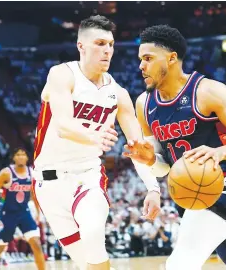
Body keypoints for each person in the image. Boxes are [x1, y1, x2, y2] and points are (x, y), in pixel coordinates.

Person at [125, 25, 226, 270]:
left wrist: (219, 152)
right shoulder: (144, 104)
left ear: (172, 58)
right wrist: (150, 160)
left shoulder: (208, 91)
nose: (141, 66)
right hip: (195, 191)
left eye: (148, 58)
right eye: (140, 59)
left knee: (180, 264)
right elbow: (163, 169)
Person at [31, 15, 161, 270]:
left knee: (92, 234)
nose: (107, 50)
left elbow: (139, 147)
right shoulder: (62, 75)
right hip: (48, 185)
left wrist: (153, 187)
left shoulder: (119, 94)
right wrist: (93, 136)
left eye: (111, 44)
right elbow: (62, 124)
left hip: (87, 176)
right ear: (81, 46)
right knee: (85, 262)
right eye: (100, 43)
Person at [0, 148, 45, 270]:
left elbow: (34, 194)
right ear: (14, 158)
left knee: (36, 244)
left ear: (27, 158)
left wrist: (38, 212)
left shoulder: (32, 173)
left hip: (24, 213)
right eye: (18, 154)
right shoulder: (6, 173)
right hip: (7, 215)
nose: (21, 157)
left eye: (23, 154)